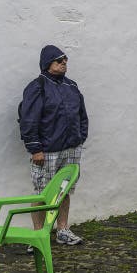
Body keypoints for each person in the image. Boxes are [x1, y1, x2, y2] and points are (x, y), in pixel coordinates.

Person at [19, 45, 88, 246]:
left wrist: (80, 137)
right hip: (47, 151)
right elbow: (29, 119)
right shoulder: (37, 86)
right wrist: (35, 148)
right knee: (42, 192)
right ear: (48, 63)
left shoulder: (71, 86)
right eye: (59, 61)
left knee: (64, 190)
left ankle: (63, 230)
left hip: (71, 149)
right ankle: (38, 236)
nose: (64, 63)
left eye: (65, 60)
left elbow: (82, 114)